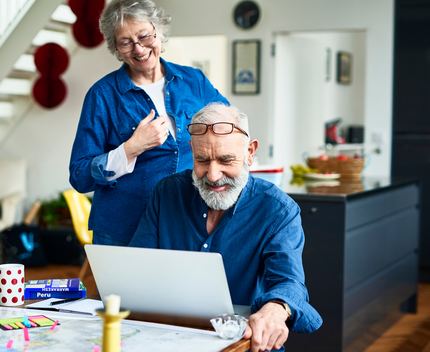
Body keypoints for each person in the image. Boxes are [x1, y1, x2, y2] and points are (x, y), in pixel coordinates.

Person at [129, 103, 322, 352]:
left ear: (250, 152)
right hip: (170, 338)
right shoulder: (167, 192)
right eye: (202, 160)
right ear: (192, 151)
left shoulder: (278, 210)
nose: (212, 175)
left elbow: (289, 282)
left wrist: (276, 308)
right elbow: (136, 266)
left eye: (226, 159)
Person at [69, 0, 228, 246]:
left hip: (187, 226)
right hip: (123, 230)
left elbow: (229, 129)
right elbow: (79, 174)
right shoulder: (102, 95)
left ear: (159, 30)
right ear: (116, 48)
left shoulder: (194, 81)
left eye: (144, 36)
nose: (139, 49)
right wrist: (131, 148)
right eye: (126, 42)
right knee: (121, 289)